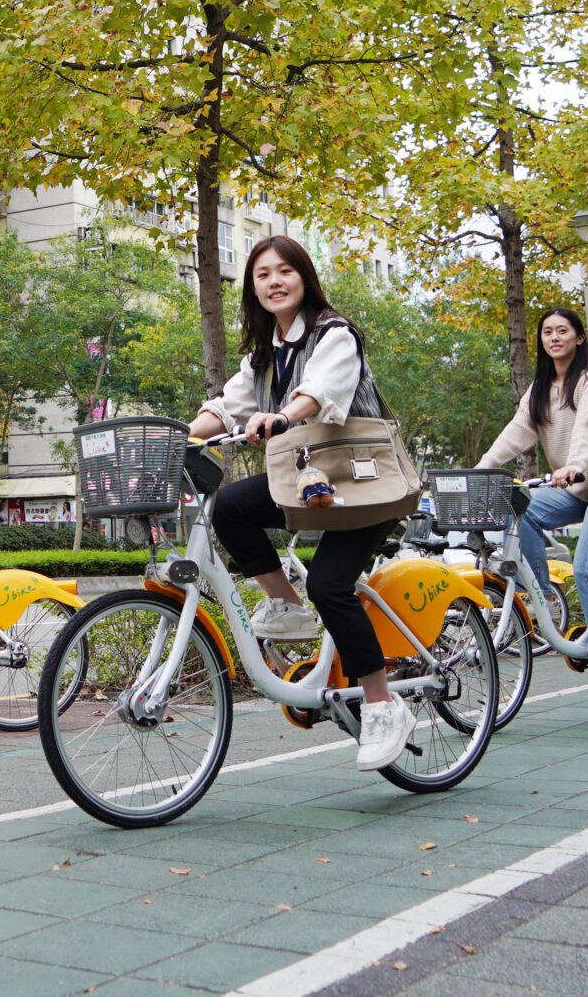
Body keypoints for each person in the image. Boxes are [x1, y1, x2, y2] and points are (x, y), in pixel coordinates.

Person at [190, 235, 415, 772]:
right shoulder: (265, 352)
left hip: (364, 487)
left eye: (284, 270)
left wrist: (284, 417)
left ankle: (383, 705)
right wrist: (177, 436)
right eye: (262, 273)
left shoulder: (334, 334)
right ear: (252, 288)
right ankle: (287, 606)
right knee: (230, 508)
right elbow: (226, 408)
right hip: (310, 483)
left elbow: (318, 391)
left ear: (304, 277)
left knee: (330, 584)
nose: (273, 281)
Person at [476, 308, 588, 690]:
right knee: (517, 506)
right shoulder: (540, 388)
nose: (554, 337)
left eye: (563, 331)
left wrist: (575, 464)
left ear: (578, 338)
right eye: (547, 332)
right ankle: (542, 600)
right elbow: (516, 432)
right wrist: (481, 468)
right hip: (576, 493)